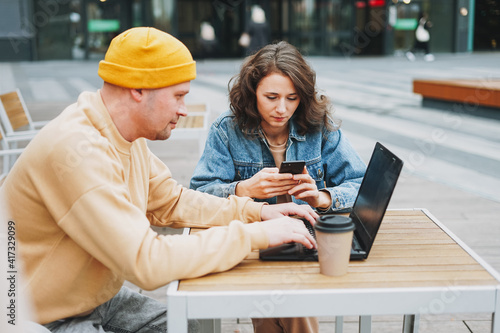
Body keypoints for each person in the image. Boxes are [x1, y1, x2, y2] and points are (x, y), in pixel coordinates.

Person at [0, 27, 319, 332]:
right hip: (34, 315)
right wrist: (255, 235)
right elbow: (147, 263)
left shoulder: (122, 134)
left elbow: (173, 201)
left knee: (191, 324)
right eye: (178, 96)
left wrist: (257, 212)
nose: (183, 110)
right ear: (138, 89)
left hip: (92, 297)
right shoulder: (77, 150)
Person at [190, 41, 366, 332]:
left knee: (286, 305)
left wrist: (323, 197)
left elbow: (360, 183)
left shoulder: (317, 126)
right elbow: (198, 194)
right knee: (284, 305)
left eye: (292, 98)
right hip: (253, 238)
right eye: (271, 97)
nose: (282, 109)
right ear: (251, 92)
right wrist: (243, 190)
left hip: (305, 239)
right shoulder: (227, 130)